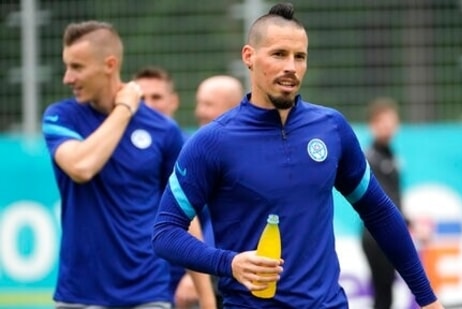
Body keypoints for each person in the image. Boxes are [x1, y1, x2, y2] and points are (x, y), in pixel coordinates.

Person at [151, 3, 445, 309]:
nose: (291, 66)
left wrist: (427, 299)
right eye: (279, 54)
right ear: (248, 56)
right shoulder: (212, 142)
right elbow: (165, 233)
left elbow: (379, 212)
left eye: (299, 56)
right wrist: (230, 263)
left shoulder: (332, 129)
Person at [42, 21, 181, 309]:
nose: (68, 78)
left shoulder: (164, 130)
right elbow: (81, 167)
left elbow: (182, 212)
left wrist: (206, 299)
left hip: (148, 291)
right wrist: (125, 108)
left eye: (77, 67)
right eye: (67, 66)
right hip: (79, 292)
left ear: (110, 64)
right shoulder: (61, 117)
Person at [133, 66, 219, 309]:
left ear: (173, 101)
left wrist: (196, 276)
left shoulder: (193, 152)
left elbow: (209, 220)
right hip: (139, 280)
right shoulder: (122, 153)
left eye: (156, 97)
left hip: (184, 279)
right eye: (140, 98)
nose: (148, 105)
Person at [171, 75, 245, 309]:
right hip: (217, 271)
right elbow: (190, 220)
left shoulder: (250, 153)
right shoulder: (196, 152)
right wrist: (198, 273)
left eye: (208, 104)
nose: (199, 112)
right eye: (199, 103)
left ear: (233, 106)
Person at [361, 97, 404, 309]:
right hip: (376, 236)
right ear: (372, 125)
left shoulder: (391, 155)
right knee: (383, 292)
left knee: (386, 291)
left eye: (391, 121)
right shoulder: (371, 158)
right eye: (382, 121)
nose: (387, 126)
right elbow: (385, 200)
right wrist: (411, 223)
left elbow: (395, 198)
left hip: (387, 233)